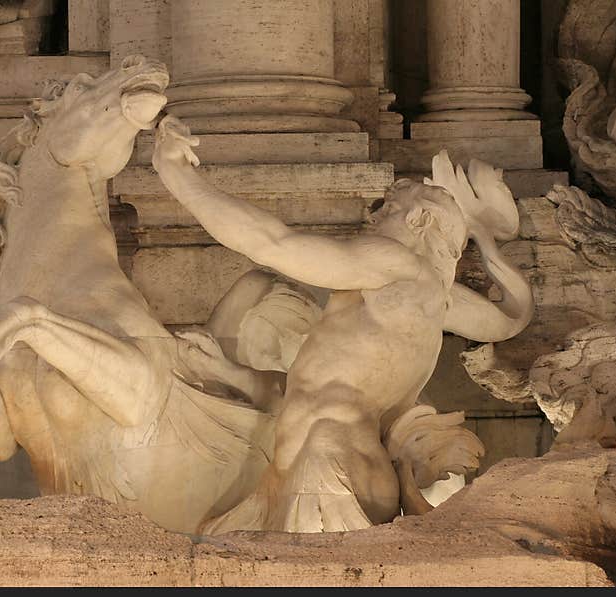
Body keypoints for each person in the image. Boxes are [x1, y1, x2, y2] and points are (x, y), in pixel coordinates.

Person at [151, 116, 534, 533]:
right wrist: (485, 240)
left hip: (332, 466)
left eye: (389, 209)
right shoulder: (434, 300)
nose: (373, 220)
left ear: (419, 222)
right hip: (301, 471)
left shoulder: (398, 264)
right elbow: (511, 320)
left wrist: (177, 175)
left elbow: (271, 244)